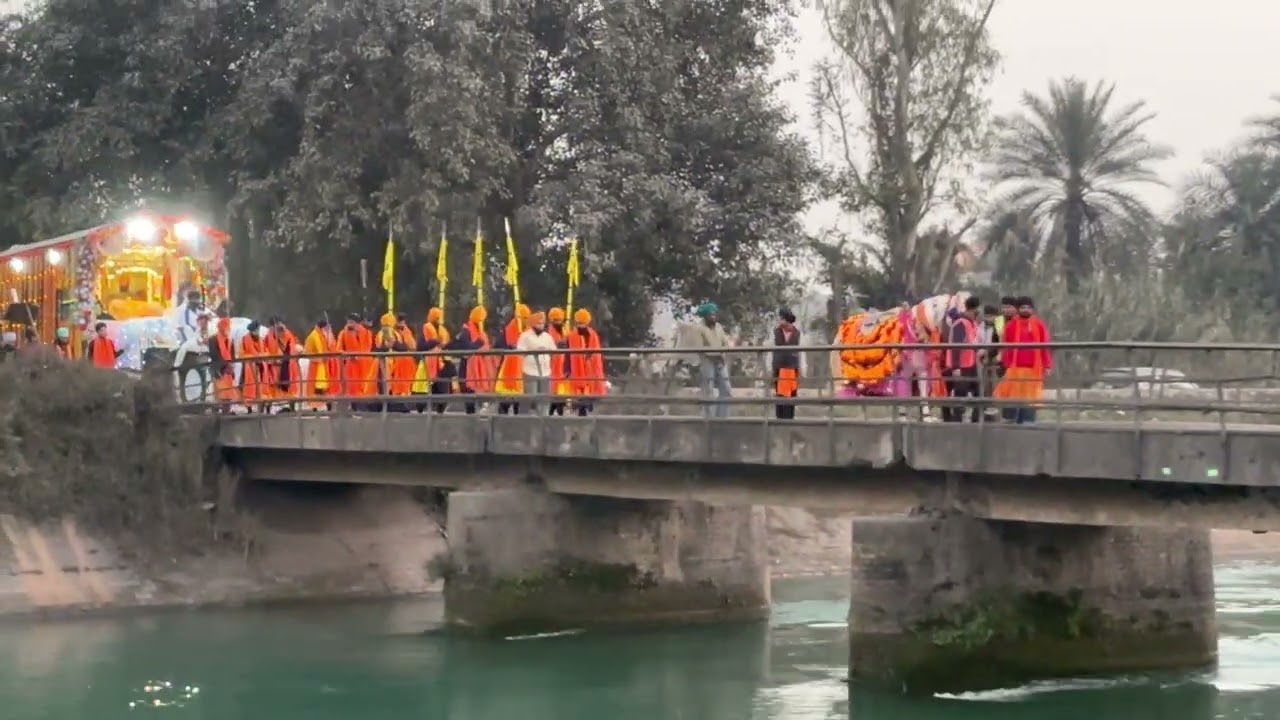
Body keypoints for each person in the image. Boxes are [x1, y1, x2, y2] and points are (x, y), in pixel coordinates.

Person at [995, 296, 1052, 424]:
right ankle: (1010, 424)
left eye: (1028, 308)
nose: (1026, 310)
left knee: (1030, 400)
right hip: (1014, 369)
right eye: (1023, 307)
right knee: (1012, 399)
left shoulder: (1039, 325)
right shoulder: (1010, 325)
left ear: (1032, 309)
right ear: (1018, 309)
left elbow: (1045, 346)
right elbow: (1006, 347)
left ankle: (1027, 425)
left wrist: (1047, 365)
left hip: (1034, 370)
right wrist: (1004, 365)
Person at [445, 306, 493, 415]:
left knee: (473, 391)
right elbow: (467, 348)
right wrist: (478, 343)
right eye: (481, 319)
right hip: (467, 366)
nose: (482, 321)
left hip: (479, 366)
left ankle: (477, 412)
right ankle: (471, 415)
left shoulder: (479, 331)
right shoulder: (466, 331)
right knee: (468, 390)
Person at [943, 296, 982, 423]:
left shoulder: (972, 323)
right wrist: (956, 367)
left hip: (970, 363)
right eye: (976, 312)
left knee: (978, 392)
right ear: (972, 310)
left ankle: (976, 420)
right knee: (960, 393)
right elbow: (956, 347)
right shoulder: (961, 323)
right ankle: (956, 421)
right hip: (961, 365)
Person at [691, 302, 732, 418]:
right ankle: (709, 418)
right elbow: (699, 348)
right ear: (706, 316)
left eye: (714, 314)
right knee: (709, 389)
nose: (713, 317)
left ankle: (721, 417)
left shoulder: (718, 327)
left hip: (720, 360)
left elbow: (725, 343)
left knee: (726, 388)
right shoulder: (699, 328)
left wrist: (722, 355)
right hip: (707, 361)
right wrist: (713, 356)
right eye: (711, 315)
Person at [515, 312, 558, 415]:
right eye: (539, 323)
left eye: (542, 323)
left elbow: (554, 350)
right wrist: (534, 350)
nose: (541, 326)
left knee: (544, 399)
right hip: (530, 372)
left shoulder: (547, 336)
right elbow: (520, 351)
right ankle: (527, 419)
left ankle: (543, 419)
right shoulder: (525, 336)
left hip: (545, 372)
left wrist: (546, 350)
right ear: (533, 324)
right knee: (530, 398)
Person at [566, 309, 605, 416]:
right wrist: (568, 369)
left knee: (590, 386)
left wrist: (590, 359)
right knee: (579, 387)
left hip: (590, 366)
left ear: (587, 322)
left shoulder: (593, 335)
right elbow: (568, 354)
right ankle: (581, 407)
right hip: (577, 367)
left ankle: (587, 404)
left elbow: (597, 353)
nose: (581, 325)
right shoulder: (571, 336)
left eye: (583, 323)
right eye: (579, 323)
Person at [495, 303, 531, 414]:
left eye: (527, 318)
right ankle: (502, 415)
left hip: (525, 368)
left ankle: (518, 417)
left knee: (520, 399)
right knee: (507, 396)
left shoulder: (529, 330)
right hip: (509, 368)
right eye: (524, 318)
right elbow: (498, 345)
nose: (526, 320)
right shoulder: (508, 329)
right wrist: (510, 347)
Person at [418, 307, 455, 414]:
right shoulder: (425, 329)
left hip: (442, 363)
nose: (438, 319)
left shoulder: (443, 330)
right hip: (429, 364)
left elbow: (448, 344)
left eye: (439, 317)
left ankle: (440, 411)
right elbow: (420, 347)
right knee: (426, 390)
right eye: (436, 317)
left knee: (443, 390)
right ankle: (422, 410)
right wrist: (434, 342)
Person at [336, 314, 375, 407]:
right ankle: (354, 407)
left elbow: (369, 348)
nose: (349, 324)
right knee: (352, 387)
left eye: (352, 322)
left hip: (366, 365)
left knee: (366, 387)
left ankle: (365, 407)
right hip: (351, 365)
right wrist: (348, 355)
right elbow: (338, 349)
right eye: (348, 322)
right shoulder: (343, 333)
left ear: (358, 324)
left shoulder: (367, 332)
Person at [302, 318, 338, 409]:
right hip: (316, 368)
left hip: (326, 367)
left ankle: (327, 408)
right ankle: (316, 409)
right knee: (317, 389)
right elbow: (306, 352)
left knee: (327, 389)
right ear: (323, 327)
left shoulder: (326, 335)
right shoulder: (313, 336)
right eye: (327, 328)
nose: (328, 329)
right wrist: (318, 359)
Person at [264, 316, 301, 402]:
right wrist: (271, 359)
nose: (275, 327)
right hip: (273, 366)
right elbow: (265, 349)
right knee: (273, 385)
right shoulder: (268, 336)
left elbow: (291, 348)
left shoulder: (286, 333)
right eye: (273, 326)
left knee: (289, 386)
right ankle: (270, 405)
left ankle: (290, 404)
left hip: (287, 365)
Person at [772, 309, 801, 420]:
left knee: (792, 393)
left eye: (781, 318)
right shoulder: (776, 332)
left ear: (787, 320)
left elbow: (800, 352)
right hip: (779, 367)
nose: (779, 321)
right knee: (779, 393)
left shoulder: (797, 333)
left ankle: (790, 418)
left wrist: (801, 367)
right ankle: (779, 418)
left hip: (792, 367)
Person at [209, 316, 238, 407]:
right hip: (219, 370)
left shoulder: (230, 340)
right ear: (222, 327)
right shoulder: (212, 339)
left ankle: (226, 411)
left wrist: (232, 364)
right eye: (227, 327)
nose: (229, 329)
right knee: (219, 393)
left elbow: (232, 355)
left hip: (229, 371)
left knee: (228, 393)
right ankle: (217, 410)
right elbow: (214, 354)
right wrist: (225, 364)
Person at [979, 304, 1002, 420]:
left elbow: (998, 342)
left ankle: (995, 407)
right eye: (987, 316)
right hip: (984, 358)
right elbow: (978, 340)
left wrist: (993, 354)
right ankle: (987, 407)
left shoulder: (998, 326)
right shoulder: (982, 326)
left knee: (995, 383)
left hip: (995, 358)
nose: (989, 318)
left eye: (991, 316)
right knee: (986, 383)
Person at [545, 307, 569, 416]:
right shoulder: (547, 332)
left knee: (561, 394)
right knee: (552, 394)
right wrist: (556, 345)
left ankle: (559, 413)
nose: (558, 322)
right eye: (555, 320)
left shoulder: (565, 330)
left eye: (559, 320)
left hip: (562, 368)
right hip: (551, 367)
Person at [239, 321, 266, 408]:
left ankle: (261, 406)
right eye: (256, 329)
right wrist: (252, 356)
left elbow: (265, 351)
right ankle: (249, 407)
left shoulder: (261, 339)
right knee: (249, 387)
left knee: (261, 387)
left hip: (260, 366)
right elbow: (241, 354)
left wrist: (262, 356)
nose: (258, 331)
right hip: (249, 366)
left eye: (258, 329)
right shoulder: (244, 339)